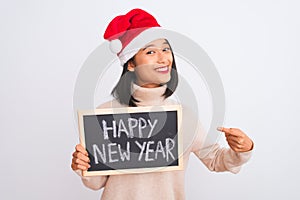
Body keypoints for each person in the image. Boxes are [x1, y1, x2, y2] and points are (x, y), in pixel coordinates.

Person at [71, 8, 254, 200]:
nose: (163, 58)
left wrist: (242, 150)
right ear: (130, 64)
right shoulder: (105, 114)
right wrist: (83, 165)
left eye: (166, 49)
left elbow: (216, 159)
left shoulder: (183, 116)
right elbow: (95, 182)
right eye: (151, 51)